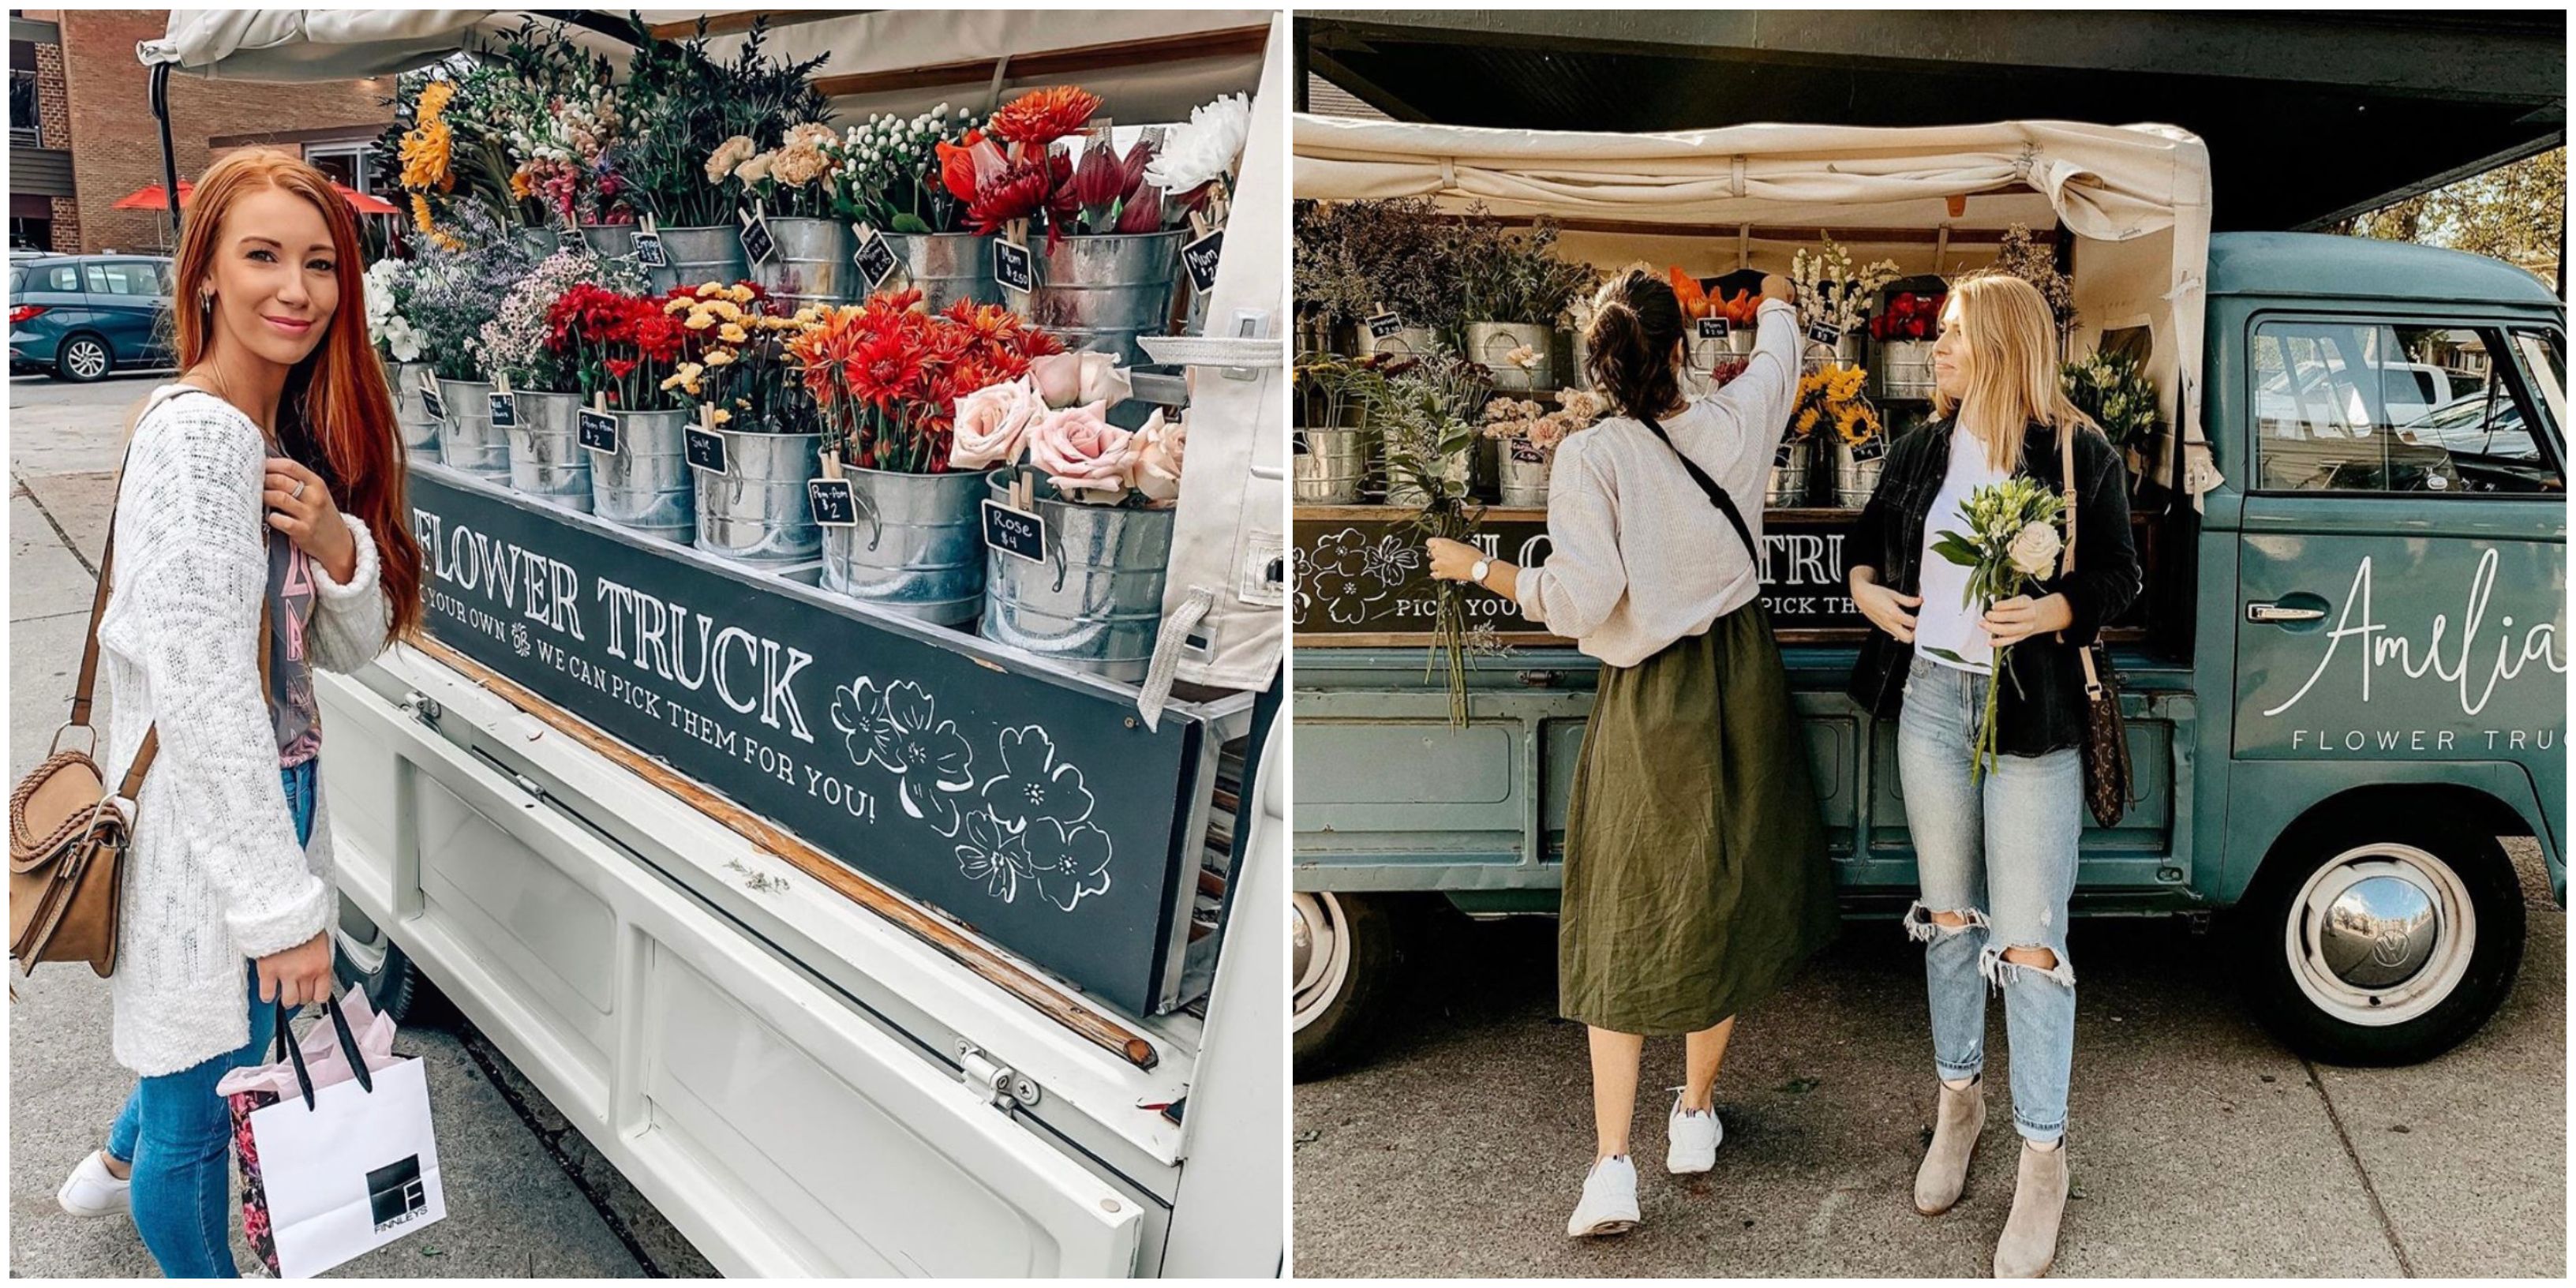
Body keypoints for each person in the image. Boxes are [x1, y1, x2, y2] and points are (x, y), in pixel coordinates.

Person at [51, 148, 423, 1277]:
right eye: (261, 255)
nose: (295, 290)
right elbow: (205, 695)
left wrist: (334, 540)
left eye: (320, 264)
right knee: (196, 1127)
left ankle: (110, 1164)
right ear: (204, 273)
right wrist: (282, 914)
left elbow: (347, 648)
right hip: (209, 825)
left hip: (268, 795)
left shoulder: (279, 430)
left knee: (212, 1044)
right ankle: (144, 1174)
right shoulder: (201, 436)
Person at [1426, 268, 1840, 1238]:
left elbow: (1580, 601)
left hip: (1652, 697)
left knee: (1626, 910)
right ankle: (1693, 1115)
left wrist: (1481, 569)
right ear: (1685, 350)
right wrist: (1775, 293)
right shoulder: (1737, 423)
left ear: (1597, 362)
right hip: (1744, 681)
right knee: (1722, 896)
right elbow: (1781, 352)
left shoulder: (1591, 458)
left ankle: (1612, 1167)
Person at [1843, 272, 2140, 1277]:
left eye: (1958, 336)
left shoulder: (2075, 450)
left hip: (2034, 722)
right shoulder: (1924, 448)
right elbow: (1866, 548)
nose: (1940, 352)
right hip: (1932, 705)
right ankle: (1957, 1105)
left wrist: (2057, 612)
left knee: (2032, 944)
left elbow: (2117, 575)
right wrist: (1871, 599)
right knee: (1951, 920)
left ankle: (2044, 1158)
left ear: (2006, 345)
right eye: (1941, 339)